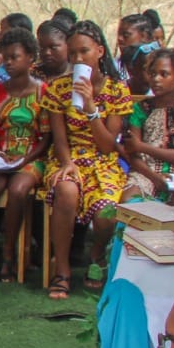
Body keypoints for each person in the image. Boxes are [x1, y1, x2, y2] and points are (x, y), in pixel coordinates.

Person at [41, 20, 132, 300]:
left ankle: (96, 254)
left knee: (107, 210)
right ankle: (63, 270)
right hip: (67, 157)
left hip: (102, 161)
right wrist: (67, 163)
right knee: (66, 190)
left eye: (84, 52)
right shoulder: (57, 88)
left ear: (100, 52)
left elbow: (108, 147)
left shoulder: (117, 91)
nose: (78, 59)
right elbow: (59, 139)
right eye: (73, 53)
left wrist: (91, 108)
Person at [0, 27, 48, 283]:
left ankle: (9, 253)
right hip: (2, 154)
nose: (8, 62)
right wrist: (0, 153)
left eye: (14, 57)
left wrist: (25, 159)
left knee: (19, 190)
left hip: (32, 156)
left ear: (30, 58)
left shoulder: (43, 92)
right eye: (4, 57)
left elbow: (47, 138)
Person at [123, 47, 174, 202]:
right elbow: (133, 155)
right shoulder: (140, 109)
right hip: (145, 174)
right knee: (130, 201)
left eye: (164, 74)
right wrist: (155, 178)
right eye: (153, 74)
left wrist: (142, 147)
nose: (156, 79)